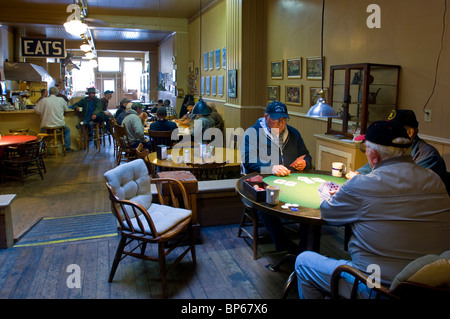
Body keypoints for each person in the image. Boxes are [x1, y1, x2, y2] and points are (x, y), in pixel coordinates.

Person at [295, 120, 450, 299]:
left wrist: (329, 194)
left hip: (377, 288)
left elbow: (328, 213)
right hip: (431, 288)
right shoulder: (435, 180)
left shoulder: (361, 185)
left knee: (303, 262)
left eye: (365, 148)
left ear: (374, 155)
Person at [242, 100, 312, 252]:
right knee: (267, 205)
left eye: (284, 120)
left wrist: (304, 162)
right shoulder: (252, 133)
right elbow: (248, 162)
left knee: (309, 204)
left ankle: (306, 248)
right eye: (277, 120)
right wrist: (271, 167)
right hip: (261, 182)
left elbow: (307, 156)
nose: (281, 124)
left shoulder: (293, 133)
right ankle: (284, 245)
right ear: (266, 117)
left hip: (289, 180)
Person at [347, 109, 449, 194]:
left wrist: (363, 181)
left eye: (394, 129)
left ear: (410, 132)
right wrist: (358, 174)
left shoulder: (429, 156)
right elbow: (371, 167)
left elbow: (404, 187)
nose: (388, 131)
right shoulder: (391, 149)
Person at [35, 86, 74, 152]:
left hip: (46, 125)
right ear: (57, 92)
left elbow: (37, 111)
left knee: (41, 133)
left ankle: (40, 149)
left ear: (49, 93)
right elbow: (66, 109)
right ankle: (67, 148)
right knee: (67, 130)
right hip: (59, 124)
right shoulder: (61, 100)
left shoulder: (43, 100)